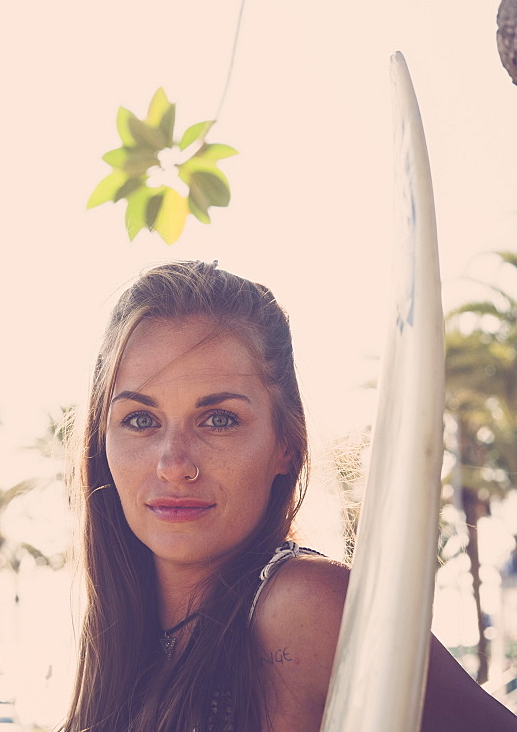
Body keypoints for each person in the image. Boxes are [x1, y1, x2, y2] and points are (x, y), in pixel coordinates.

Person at [63, 260, 517, 732]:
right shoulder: (125, 642)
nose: (174, 464)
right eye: (141, 420)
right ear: (102, 441)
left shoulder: (305, 607)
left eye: (218, 419)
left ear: (286, 444)